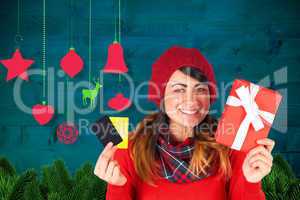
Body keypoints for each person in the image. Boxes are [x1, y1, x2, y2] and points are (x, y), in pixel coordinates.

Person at [94, 46, 274, 200]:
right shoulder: (129, 149)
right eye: (179, 89)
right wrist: (117, 186)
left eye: (200, 89)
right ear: (161, 96)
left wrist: (251, 182)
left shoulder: (233, 146)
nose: (191, 101)